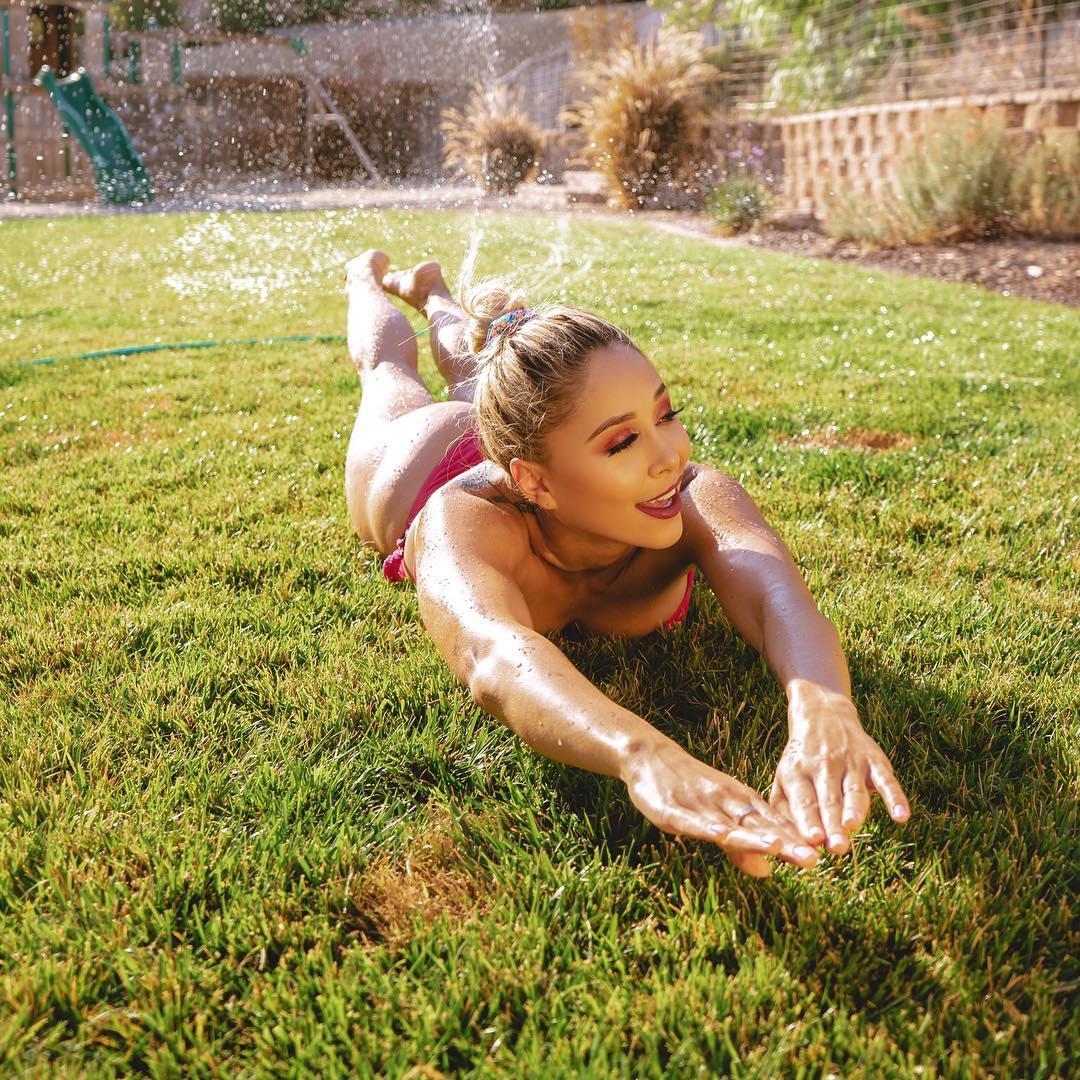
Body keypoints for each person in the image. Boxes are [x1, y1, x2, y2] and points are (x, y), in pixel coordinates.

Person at [343, 249, 910, 878]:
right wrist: (642, 754)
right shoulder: (465, 521)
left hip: (540, 444)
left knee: (489, 379)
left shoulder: (691, 493)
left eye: (666, 414)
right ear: (534, 481)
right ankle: (364, 277)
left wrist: (824, 707)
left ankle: (434, 291)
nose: (670, 454)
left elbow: (777, 596)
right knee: (389, 371)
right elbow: (494, 656)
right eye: (622, 441)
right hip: (424, 465)